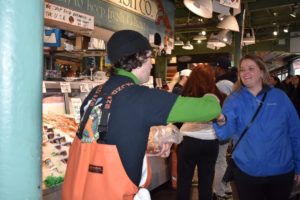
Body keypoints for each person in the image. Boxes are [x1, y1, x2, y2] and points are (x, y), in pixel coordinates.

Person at [62, 30, 221, 200]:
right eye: (149, 58)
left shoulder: (95, 93)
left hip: (85, 190)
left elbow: (105, 135)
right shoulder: (142, 96)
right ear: (138, 58)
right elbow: (210, 110)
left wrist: (148, 142)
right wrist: (210, 95)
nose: (152, 65)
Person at [213, 54, 300, 200]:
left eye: (250, 68)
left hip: (281, 171)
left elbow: (295, 132)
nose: (245, 73)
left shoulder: (280, 97)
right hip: (247, 172)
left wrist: (299, 165)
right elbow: (224, 134)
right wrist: (221, 121)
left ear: (261, 72)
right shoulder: (234, 99)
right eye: (242, 70)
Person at [177, 64, 226, 200]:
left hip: (188, 140)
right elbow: (221, 119)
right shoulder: (218, 96)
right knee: (206, 182)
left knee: (184, 183)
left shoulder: (186, 95)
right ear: (212, 78)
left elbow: (179, 119)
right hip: (210, 142)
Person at [213, 56, 234, 200]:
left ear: (220, 68)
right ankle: (227, 187)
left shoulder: (221, 85)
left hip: (222, 125)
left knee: (219, 160)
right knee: (223, 160)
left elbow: (216, 107)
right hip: (229, 125)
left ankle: (219, 191)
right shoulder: (231, 83)